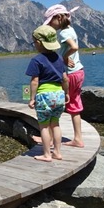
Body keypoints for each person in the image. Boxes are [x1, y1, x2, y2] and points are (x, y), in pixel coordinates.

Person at [25, 25, 69, 162]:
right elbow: (65, 79)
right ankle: (57, 152)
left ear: (38, 43)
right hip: (59, 95)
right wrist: (66, 93)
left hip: (44, 96)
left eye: (34, 43)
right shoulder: (60, 59)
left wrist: (31, 98)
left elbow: (34, 82)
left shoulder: (36, 60)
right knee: (55, 124)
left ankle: (46, 154)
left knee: (43, 126)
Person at [44, 4, 85, 148]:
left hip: (70, 75)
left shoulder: (62, 33)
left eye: (51, 21)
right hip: (79, 72)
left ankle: (48, 138)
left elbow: (74, 47)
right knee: (74, 105)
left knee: (53, 103)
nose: (50, 24)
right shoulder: (71, 29)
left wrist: (65, 57)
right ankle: (78, 138)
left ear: (59, 18)